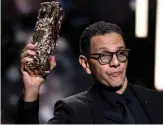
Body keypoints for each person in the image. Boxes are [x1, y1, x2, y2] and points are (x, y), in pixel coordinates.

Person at [15, 21, 163, 124]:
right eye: (104, 56)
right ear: (85, 64)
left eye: (121, 53)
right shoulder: (73, 112)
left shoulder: (155, 101)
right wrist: (32, 89)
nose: (116, 62)